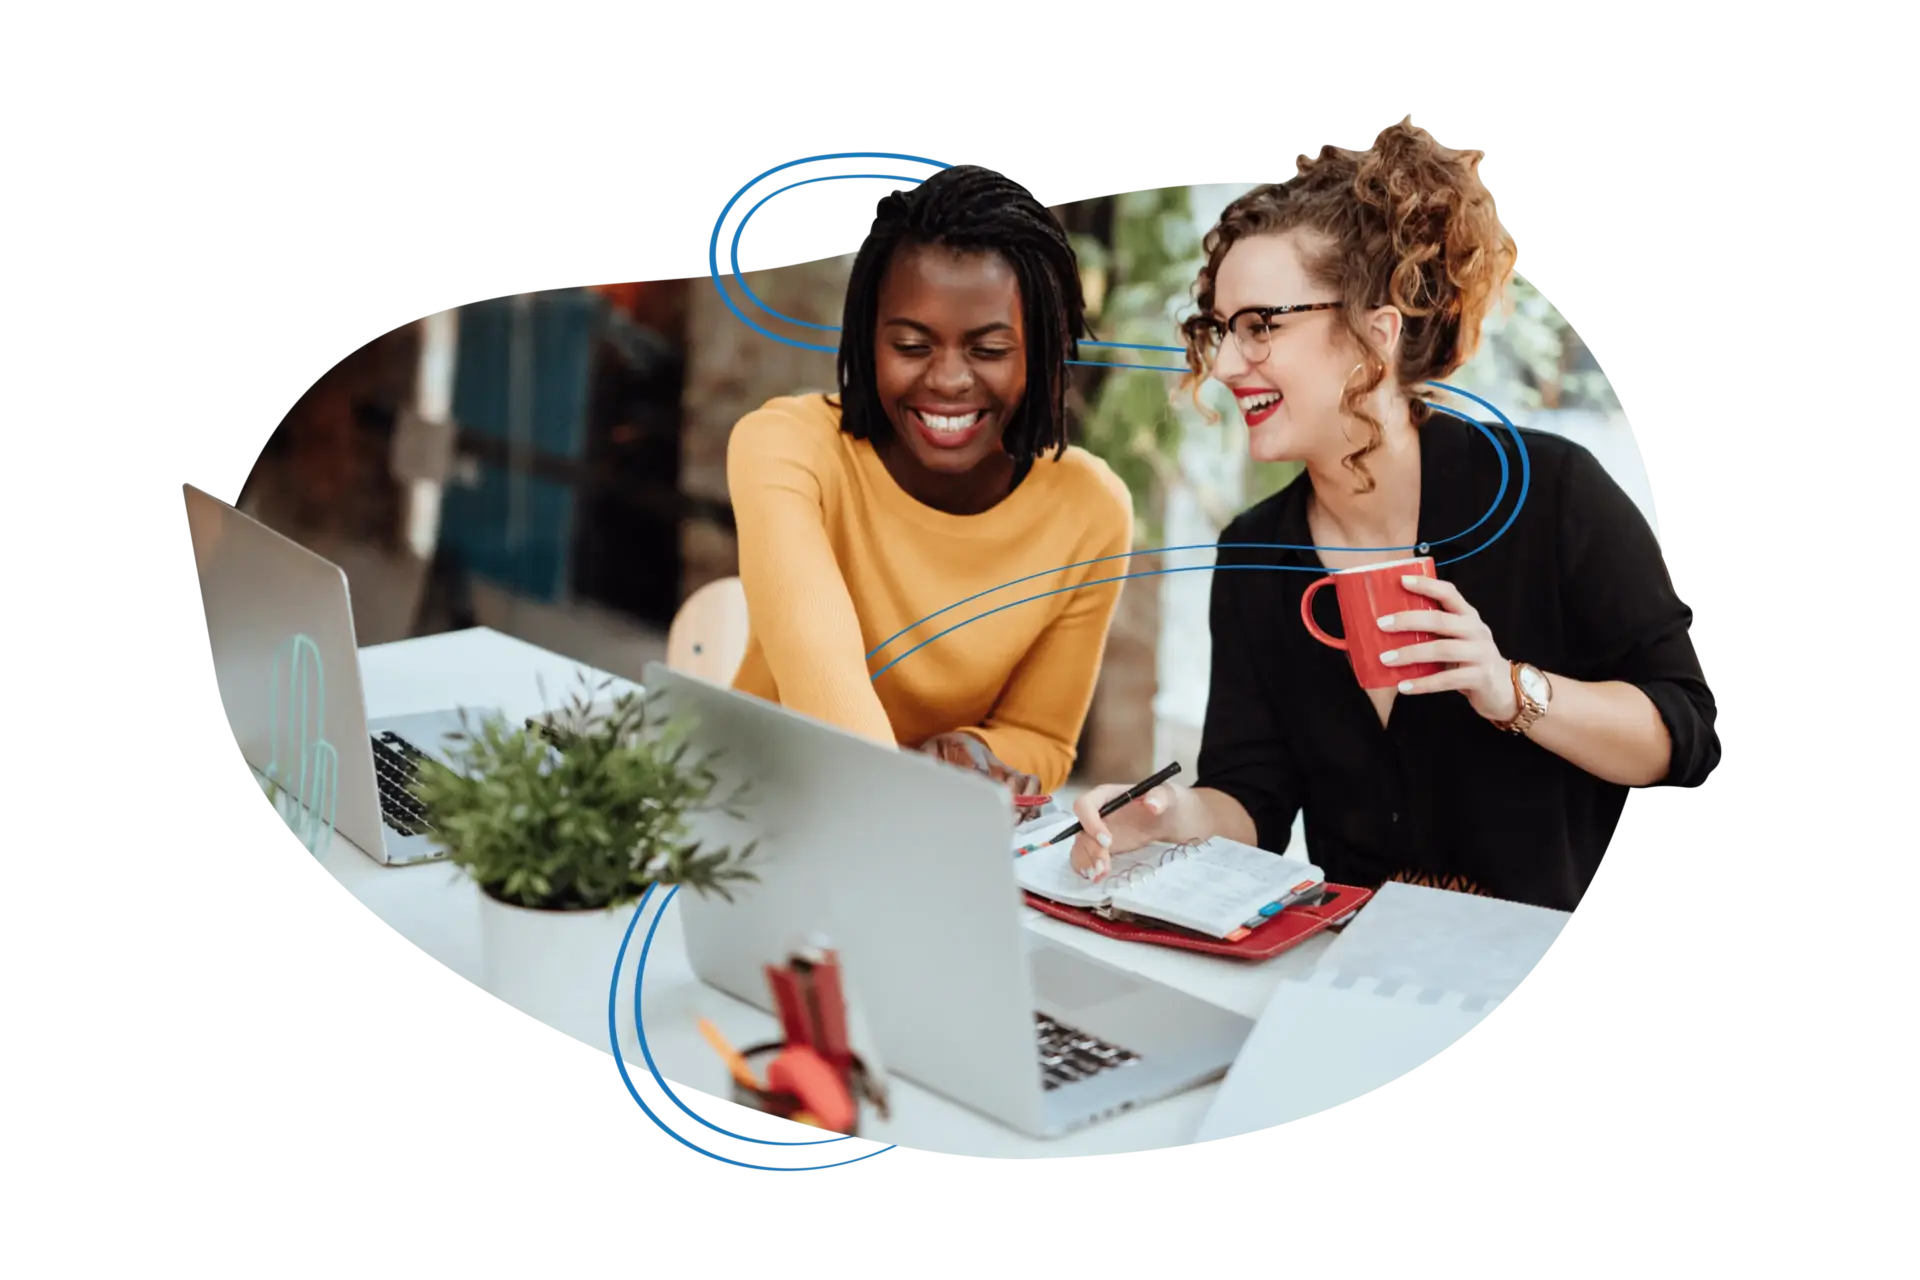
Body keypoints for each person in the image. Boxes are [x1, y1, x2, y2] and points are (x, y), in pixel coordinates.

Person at [1066, 122, 1724, 913]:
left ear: (1374, 335)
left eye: (1262, 326)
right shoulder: (1256, 552)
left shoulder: (1551, 494)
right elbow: (1253, 799)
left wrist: (1508, 688)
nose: (1229, 364)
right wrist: (1168, 817)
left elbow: (1684, 735)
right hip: (1354, 960)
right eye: (1222, 328)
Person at [726, 163, 1134, 799]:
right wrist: (911, 788)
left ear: (1045, 351)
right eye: (912, 346)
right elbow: (819, 669)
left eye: (989, 350)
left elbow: (1041, 737)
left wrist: (976, 753)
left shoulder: (1090, 510)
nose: (947, 380)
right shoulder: (787, 447)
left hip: (924, 821)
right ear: (867, 341)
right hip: (758, 800)